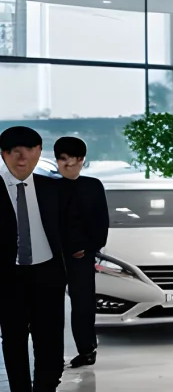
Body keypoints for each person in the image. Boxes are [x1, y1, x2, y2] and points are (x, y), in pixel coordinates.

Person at [0, 126, 67, 392]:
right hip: (8, 275)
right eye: (14, 151)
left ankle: (46, 388)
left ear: (39, 152)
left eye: (28, 150)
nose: (21, 157)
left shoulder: (54, 189)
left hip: (47, 271)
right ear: (4, 155)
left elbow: (69, 230)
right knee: (13, 336)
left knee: (49, 334)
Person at [52, 137, 108, 367]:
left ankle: (87, 350)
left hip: (82, 255)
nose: (66, 164)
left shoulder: (92, 186)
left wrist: (89, 249)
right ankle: (52, 354)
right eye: (62, 159)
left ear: (81, 160)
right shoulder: (49, 186)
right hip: (53, 257)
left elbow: (101, 222)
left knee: (83, 305)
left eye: (72, 160)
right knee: (51, 307)